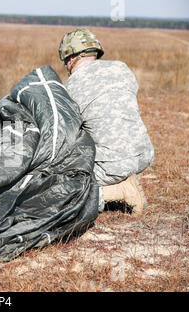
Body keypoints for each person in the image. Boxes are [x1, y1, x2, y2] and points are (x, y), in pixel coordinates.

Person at [58, 28, 154, 215]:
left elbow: (65, 134)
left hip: (113, 164)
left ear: (69, 58)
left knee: (61, 189)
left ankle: (117, 191)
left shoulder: (71, 86)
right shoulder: (122, 68)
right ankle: (125, 178)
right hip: (144, 155)